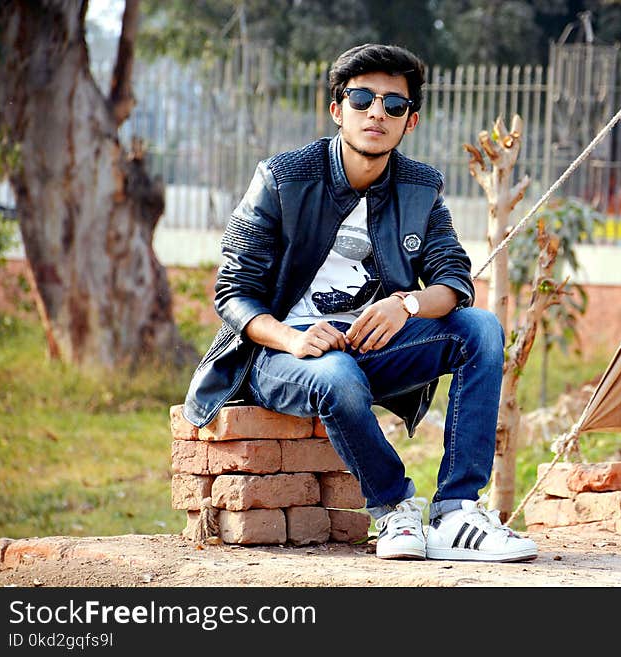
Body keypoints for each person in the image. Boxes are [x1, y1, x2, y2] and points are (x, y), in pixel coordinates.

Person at [182, 43, 537, 563]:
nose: (377, 112)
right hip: (279, 356)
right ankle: (394, 507)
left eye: (394, 105)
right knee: (336, 374)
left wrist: (406, 305)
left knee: (479, 328)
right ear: (337, 110)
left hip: (371, 346)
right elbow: (232, 293)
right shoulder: (283, 178)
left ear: (409, 121)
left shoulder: (419, 187)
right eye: (362, 98)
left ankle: (457, 511)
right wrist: (295, 338)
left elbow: (454, 281)